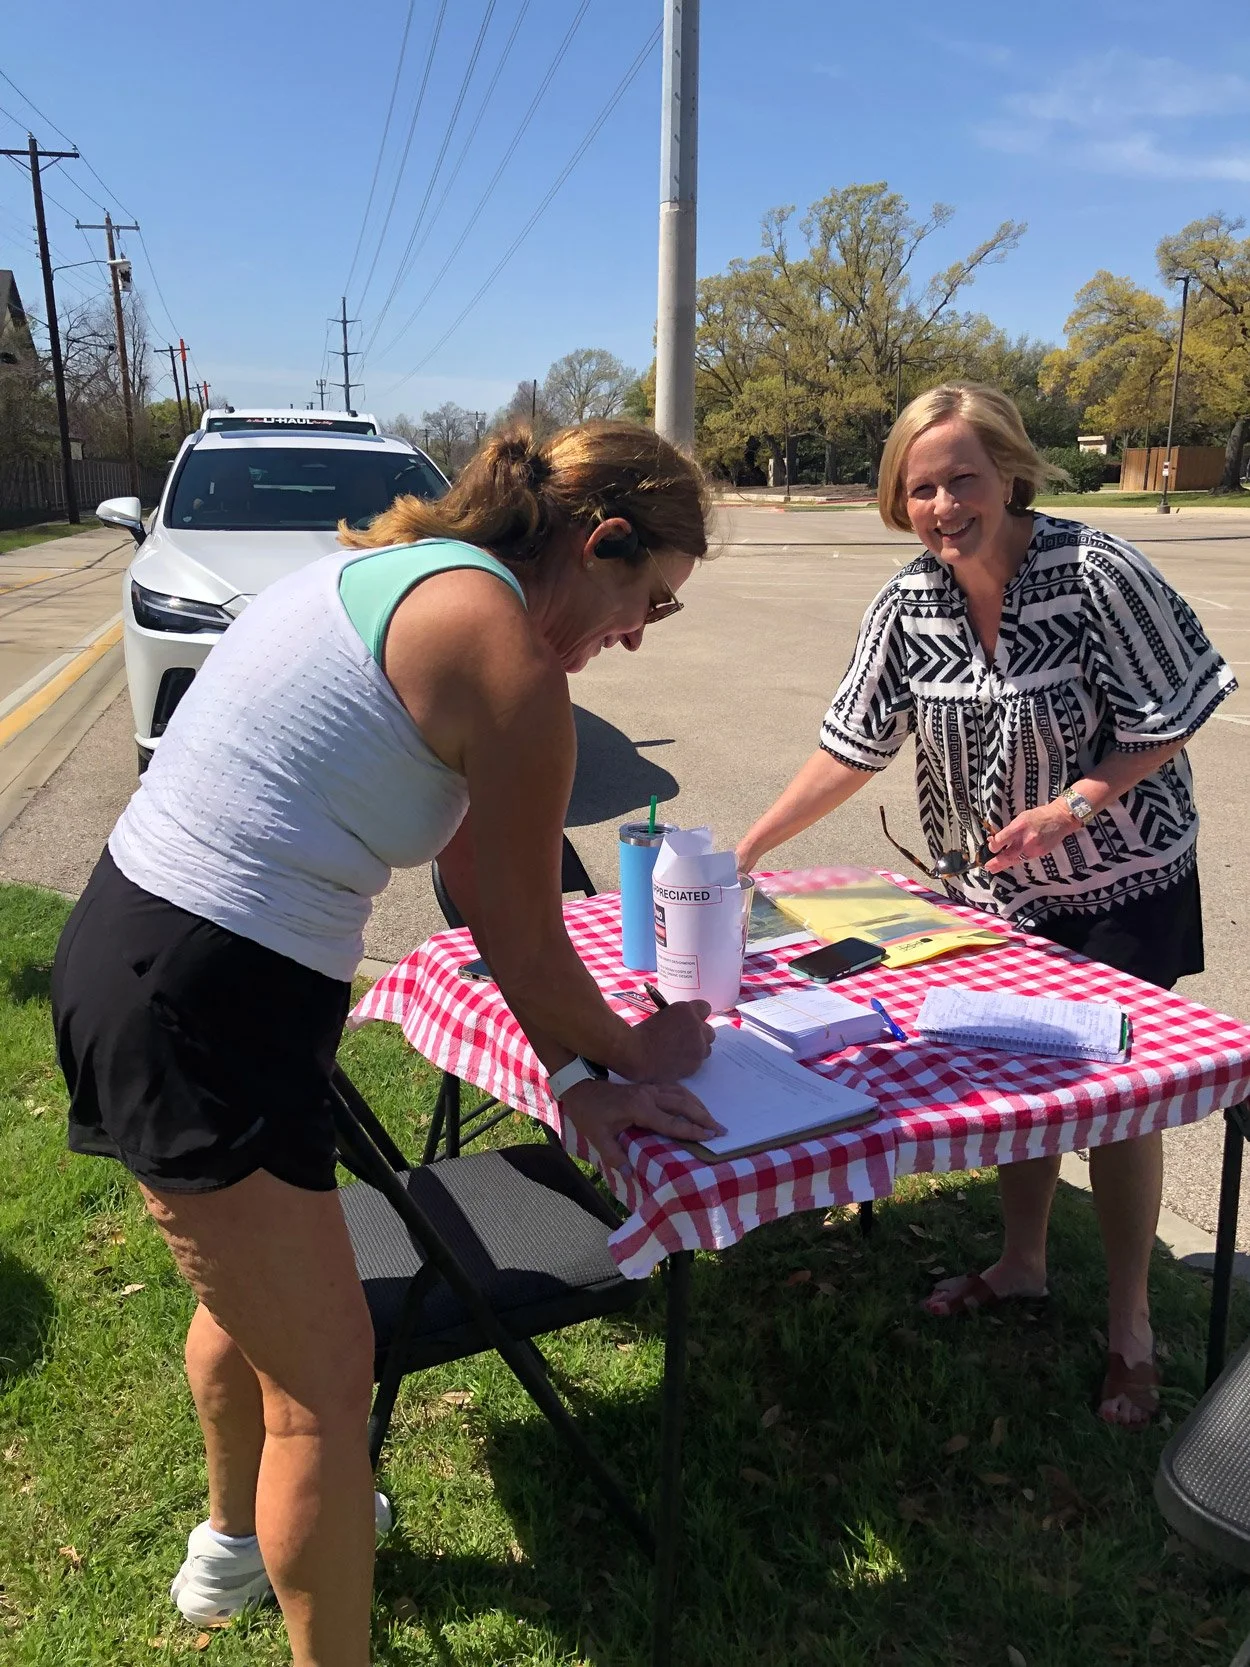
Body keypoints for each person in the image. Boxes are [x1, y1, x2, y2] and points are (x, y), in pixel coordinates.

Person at [51, 421, 721, 1666]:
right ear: (602, 541)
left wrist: (577, 1070)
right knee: (324, 1381)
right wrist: (641, 1053)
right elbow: (525, 941)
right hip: (208, 998)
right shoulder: (508, 658)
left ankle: (232, 1545)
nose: (637, 634)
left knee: (254, 1296)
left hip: (146, 952)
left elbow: (482, 882)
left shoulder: (398, 574)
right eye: (652, 600)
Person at [735, 384, 1236, 1430]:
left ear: (1008, 473)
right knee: (1018, 1066)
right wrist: (748, 846)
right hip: (999, 891)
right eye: (919, 487)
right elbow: (852, 744)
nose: (942, 505)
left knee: (1115, 1095)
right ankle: (1021, 1262)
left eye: (961, 478)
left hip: (1122, 879)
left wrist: (1074, 805)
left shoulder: (1093, 572)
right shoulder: (907, 602)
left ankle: (1132, 1326)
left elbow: (1169, 713)